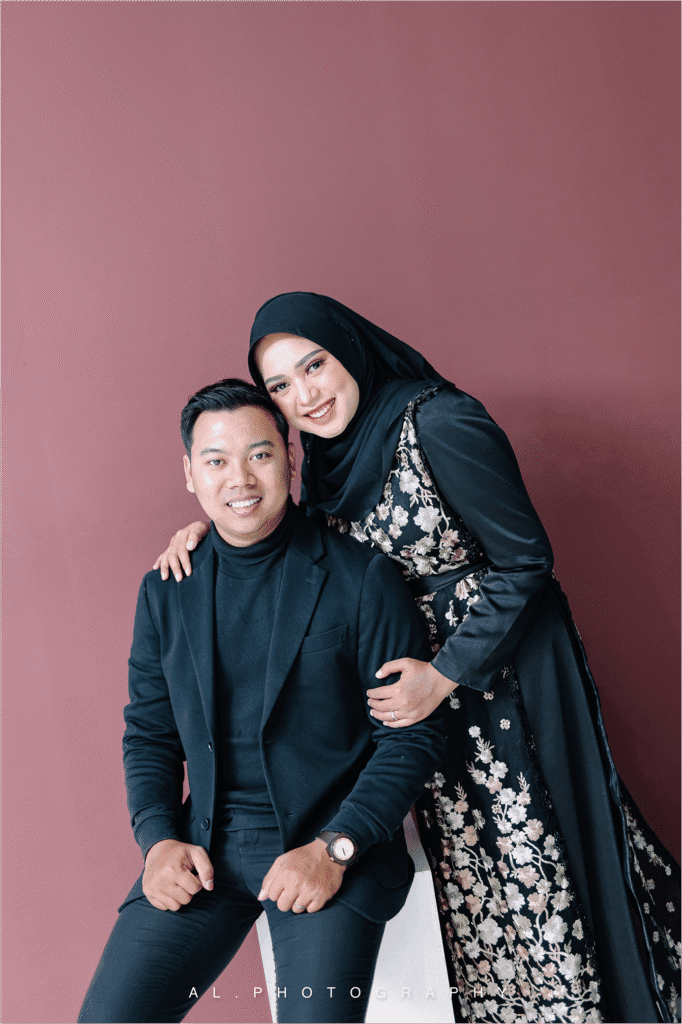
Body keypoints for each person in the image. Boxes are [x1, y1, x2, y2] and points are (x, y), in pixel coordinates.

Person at [156, 293, 681, 1024]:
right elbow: (292, 537)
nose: (304, 394)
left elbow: (527, 562)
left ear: (349, 349)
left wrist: (445, 674)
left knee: (547, 869)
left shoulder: (439, 422)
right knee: (482, 893)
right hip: (415, 714)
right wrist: (207, 531)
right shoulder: (327, 461)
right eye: (280, 385)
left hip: (507, 691)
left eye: (315, 365)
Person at [79, 378, 449, 1024]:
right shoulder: (167, 588)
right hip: (209, 848)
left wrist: (337, 847)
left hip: (332, 842)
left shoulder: (362, 578)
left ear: (290, 458)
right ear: (190, 473)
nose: (240, 479)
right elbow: (150, 735)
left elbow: (412, 737)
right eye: (216, 461)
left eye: (260, 454)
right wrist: (158, 841)